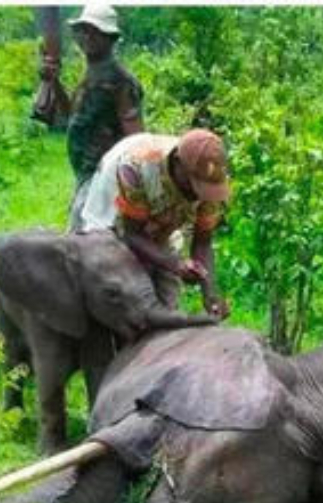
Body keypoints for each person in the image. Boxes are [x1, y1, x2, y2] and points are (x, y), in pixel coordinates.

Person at [77, 128, 231, 318]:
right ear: (177, 163)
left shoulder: (210, 179)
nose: (199, 195)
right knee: (107, 281)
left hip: (161, 218)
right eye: (194, 184)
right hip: (115, 203)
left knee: (167, 296)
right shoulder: (135, 166)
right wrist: (174, 264)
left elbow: (203, 241)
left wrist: (210, 293)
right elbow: (131, 233)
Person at [63, 4, 145, 228]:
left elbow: (135, 140)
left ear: (110, 38)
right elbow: (69, 118)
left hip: (103, 179)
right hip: (85, 177)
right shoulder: (90, 75)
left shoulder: (121, 82)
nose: (86, 36)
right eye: (83, 30)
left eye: (94, 31)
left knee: (83, 245)